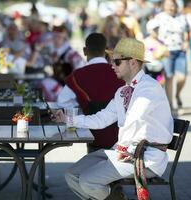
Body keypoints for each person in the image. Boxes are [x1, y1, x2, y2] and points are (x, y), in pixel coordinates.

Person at [55, 38, 173, 200]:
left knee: (87, 181)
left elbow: (134, 118)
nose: (112, 66)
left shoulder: (149, 87)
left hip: (146, 158)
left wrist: (122, 148)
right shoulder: (123, 91)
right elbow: (101, 119)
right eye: (112, 61)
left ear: (132, 62)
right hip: (121, 152)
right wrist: (69, 120)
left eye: (116, 62)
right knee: (71, 174)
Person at [57, 33, 124, 152]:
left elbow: (63, 102)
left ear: (84, 50)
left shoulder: (77, 76)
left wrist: (82, 110)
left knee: (89, 167)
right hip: (121, 138)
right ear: (106, 50)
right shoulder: (120, 73)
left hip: (92, 135)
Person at [155, 0, 189, 108]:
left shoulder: (181, 17)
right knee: (169, 77)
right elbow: (152, 31)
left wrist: (187, 41)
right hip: (166, 51)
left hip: (180, 51)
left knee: (182, 77)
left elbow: (186, 31)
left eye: (172, 5)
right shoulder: (159, 17)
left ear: (176, 6)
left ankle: (177, 94)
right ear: (164, 6)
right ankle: (170, 105)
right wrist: (158, 45)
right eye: (168, 5)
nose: (171, 7)